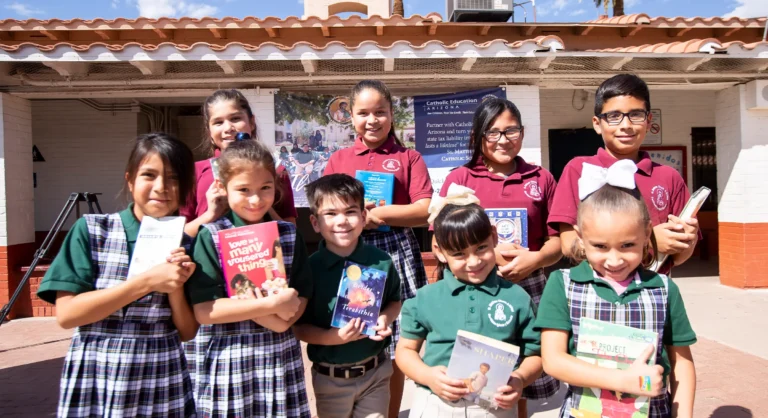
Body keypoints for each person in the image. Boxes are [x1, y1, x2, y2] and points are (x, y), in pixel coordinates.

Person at [36, 133, 198, 417]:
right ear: (130, 180)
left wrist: (174, 286)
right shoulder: (92, 231)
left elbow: (187, 331)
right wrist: (147, 281)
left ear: (185, 187)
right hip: (99, 371)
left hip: (162, 371)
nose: (161, 187)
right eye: (149, 175)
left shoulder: (187, 244)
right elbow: (68, 314)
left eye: (173, 178)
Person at [536, 164, 697, 418]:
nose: (614, 260)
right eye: (600, 246)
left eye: (627, 245)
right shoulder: (562, 285)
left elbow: (681, 364)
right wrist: (624, 381)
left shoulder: (663, 289)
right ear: (580, 237)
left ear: (647, 235)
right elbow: (553, 360)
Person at [436, 97, 561, 415]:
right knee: (478, 373)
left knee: (523, 367)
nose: (503, 140)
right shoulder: (460, 179)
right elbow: (444, 237)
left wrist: (535, 260)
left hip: (529, 284)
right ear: (479, 135)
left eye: (511, 131)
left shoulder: (541, 179)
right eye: (493, 132)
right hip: (476, 286)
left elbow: (560, 241)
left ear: (523, 132)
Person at [323, 80, 433, 418]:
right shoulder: (339, 158)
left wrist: (378, 214)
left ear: (391, 114)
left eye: (380, 112)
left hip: (395, 250)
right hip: (349, 251)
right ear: (351, 117)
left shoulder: (407, 157)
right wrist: (354, 216)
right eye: (364, 113)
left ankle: (390, 412)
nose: (373, 120)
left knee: (399, 340)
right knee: (355, 328)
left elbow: (424, 208)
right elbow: (324, 208)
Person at [186, 140, 312, 417]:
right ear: (222, 187)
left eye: (265, 188)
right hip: (227, 359)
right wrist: (270, 310)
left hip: (278, 359)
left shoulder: (289, 235)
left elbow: (299, 298)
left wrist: (284, 314)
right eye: (243, 190)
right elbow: (206, 311)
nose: (256, 200)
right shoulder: (211, 236)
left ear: (276, 187)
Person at [395, 203, 543, 417]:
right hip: (435, 403)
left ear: (493, 237)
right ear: (440, 252)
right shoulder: (425, 298)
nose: (473, 262)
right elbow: (406, 350)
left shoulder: (517, 297)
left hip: (494, 408)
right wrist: (427, 376)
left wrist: (519, 379)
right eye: (459, 254)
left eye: (481, 248)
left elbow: (536, 353)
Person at [548, 74, 698, 275]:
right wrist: (649, 241)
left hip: (653, 290)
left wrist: (687, 240)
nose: (625, 125)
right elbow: (568, 245)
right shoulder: (579, 170)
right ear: (596, 124)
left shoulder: (669, 177)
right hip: (595, 289)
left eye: (635, 115)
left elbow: (679, 256)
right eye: (614, 116)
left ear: (648, 120)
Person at [294, 174, 402, 418]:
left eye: (350, 211)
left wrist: (385, 318)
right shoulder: (309, 269)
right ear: (315, 222)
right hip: (330, 378)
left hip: (376, 373)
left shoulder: (381, 261)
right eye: (330, 214)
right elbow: (298, 327)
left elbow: (395, 301)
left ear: (364, 217)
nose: (341, 221)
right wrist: (332, 338)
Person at [181, 89, 297, 238]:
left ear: (252, 122)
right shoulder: (194, 172)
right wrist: (211, 213)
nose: (228, 128)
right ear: (209, 131)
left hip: (261, 258)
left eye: (235, 118)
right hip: (207, 260)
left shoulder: (276, 170)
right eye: (218, 122)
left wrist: (261, 204)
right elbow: (179, 236)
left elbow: (291, 234)